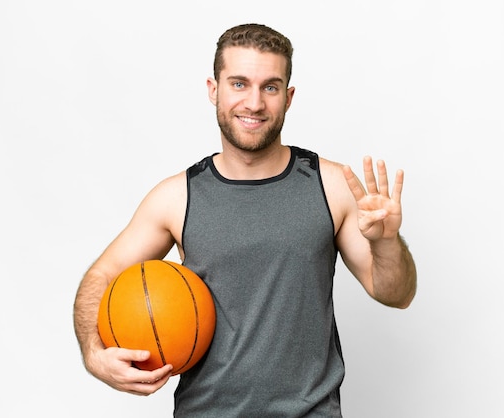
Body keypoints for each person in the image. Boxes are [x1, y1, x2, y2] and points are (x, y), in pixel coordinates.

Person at [73, 23, 417, 417]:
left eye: (270, 87)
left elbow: (396, 293)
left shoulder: (334, 185)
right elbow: (102, 276)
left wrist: (386, 242)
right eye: (239, 84)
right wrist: (93, 354)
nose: (254, 103)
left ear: (288, 98)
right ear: (213, 89)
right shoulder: (176, 197)